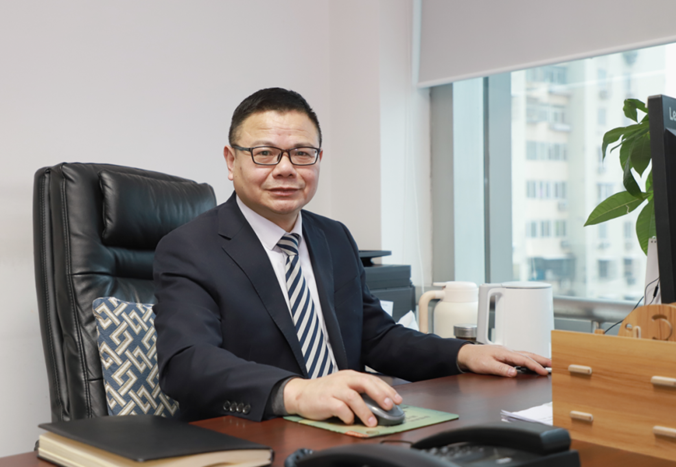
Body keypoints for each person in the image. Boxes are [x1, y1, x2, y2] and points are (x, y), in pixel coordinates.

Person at [153, 87, 550, 427]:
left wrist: (464, 353)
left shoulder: (333, 237)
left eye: (301, 153)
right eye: (265, 153)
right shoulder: (189, 247)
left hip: (351, 429)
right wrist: (297, 393)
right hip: (251, 434)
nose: (286, 169)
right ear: (231, 160)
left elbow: (376, 337)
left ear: (318, 159)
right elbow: (186, 363)